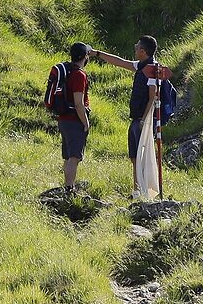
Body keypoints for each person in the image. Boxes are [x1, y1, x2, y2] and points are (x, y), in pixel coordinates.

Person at [87, 37, 169, 200]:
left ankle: (145, 191)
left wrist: (145, 121)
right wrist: (97, 53)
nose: (135, 47)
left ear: (143, 51)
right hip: (137, 119)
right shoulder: (141, 66)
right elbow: (119, 62)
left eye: (137, 46)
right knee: (134, 155)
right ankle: (137, 189)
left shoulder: (152, 69)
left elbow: (153, 97)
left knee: (142, 155)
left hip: (143, 120)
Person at [43, 41, 92, 194]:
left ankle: (67, 186)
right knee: (74, 157)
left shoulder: (68, 72)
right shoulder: (79, 75)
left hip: (63, 119)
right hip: (74, 120)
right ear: (84, 57)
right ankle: (69, 188)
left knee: (68, 156)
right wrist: (85, 122)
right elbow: (78, 103)